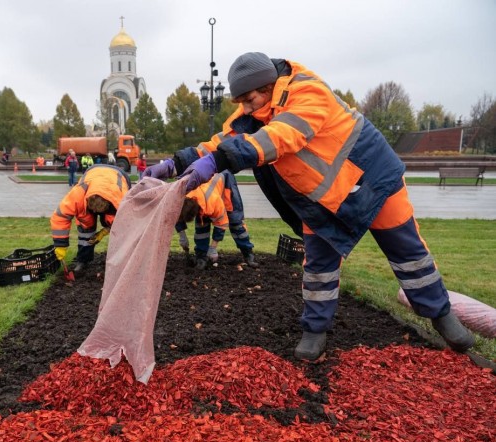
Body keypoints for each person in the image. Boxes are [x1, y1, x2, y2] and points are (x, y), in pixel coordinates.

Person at [143, 51, 474, 361]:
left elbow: (282, 136)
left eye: (249, 99)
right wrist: (173, 164)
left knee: (408, 252)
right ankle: (315, 331)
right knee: (318, 267)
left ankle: (442, 317)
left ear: (269, 87)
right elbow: (220, 142)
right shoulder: (253, 114)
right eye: (240, 102)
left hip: (373, 181)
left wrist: (218, 161)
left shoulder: (308, 92)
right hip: (323, 202)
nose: (244, 108)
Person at [51, 164, 131, 272]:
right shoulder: (78, 195)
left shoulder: (122, 201)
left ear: (108, 207)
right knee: (85, 231)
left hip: (119, 176)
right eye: (92, 210)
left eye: (98, 212)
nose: (94, 213)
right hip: (92, 173)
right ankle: (83, 260)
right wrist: (60, 244)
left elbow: (125, 223)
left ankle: (120, 263)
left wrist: (104, 231)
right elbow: (60, 216)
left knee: (120, 234)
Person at [176, 170, 258, 269]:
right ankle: (201, 257)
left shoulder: (213, 202)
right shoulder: (182, 197)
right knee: (201, 225)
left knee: (235, 222)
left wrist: (213, 248)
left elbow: (222, 224)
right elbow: (177, 216)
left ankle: (248, 254)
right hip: (206, 191)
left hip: (226, 184)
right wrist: (182, 235)